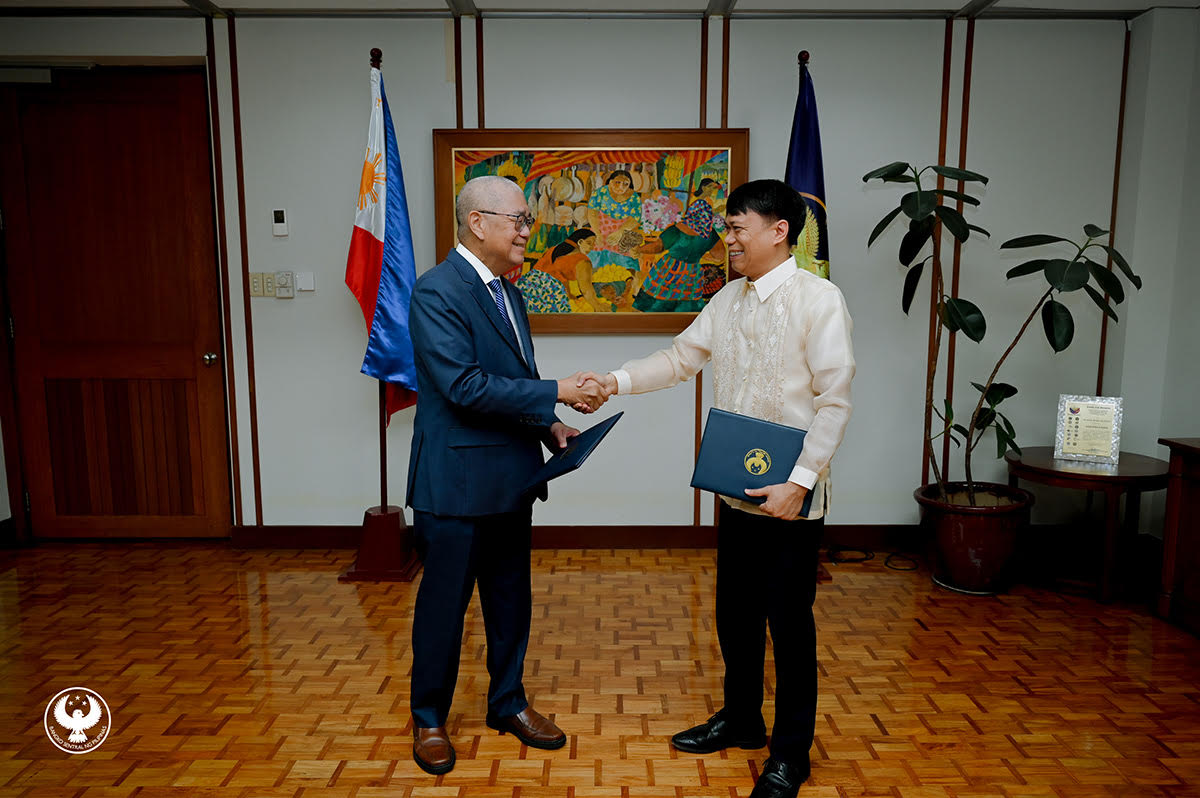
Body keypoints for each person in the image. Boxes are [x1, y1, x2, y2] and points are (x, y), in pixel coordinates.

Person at [582, 179, 854, 798]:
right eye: (728, 228)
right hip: (734, 489)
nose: (726, 239)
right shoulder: (728, 300)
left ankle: (790, 754)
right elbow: (680, 359)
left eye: (736, 228)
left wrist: (800, 483)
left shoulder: (821, 300)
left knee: (789, 625)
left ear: (778, 231)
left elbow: (835, 402)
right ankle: (742, 720)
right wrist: (611, 381)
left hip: (791, 496)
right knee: (734, 615)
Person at [405, 175, 608, 776]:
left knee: (509, 601)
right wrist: (558, 392)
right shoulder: (436, 292)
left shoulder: (508, 293)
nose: (528, 230)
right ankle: (429, 718)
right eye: (519, 220)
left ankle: (507, 704)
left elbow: (512, 380)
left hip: (511, 480)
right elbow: (464, 387)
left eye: (527, 220)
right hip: (457, 483)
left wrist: (550, 426)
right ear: (478, 224)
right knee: (444, 608)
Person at [633, 177, 726, 313]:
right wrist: (701, 257)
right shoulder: (710, 234)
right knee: (685, 304)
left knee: (656, 296)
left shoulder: (677, 229)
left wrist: (640, 249)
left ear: (691, 213)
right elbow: (720, 256)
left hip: (668, 269)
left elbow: (658, 247)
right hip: (692, 272)